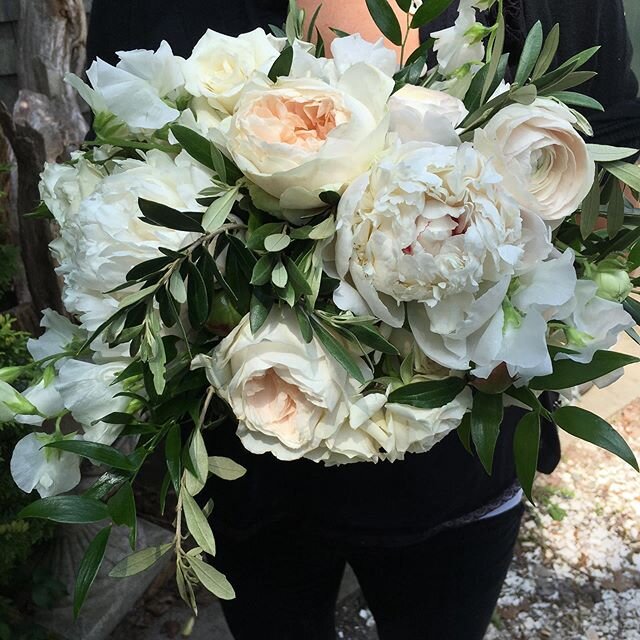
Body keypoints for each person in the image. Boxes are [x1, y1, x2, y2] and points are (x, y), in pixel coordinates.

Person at [86, 1, 640, 638]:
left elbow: (615, 139)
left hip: (460, 469)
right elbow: (113, 165)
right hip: (252, 452)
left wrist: (500, 262)